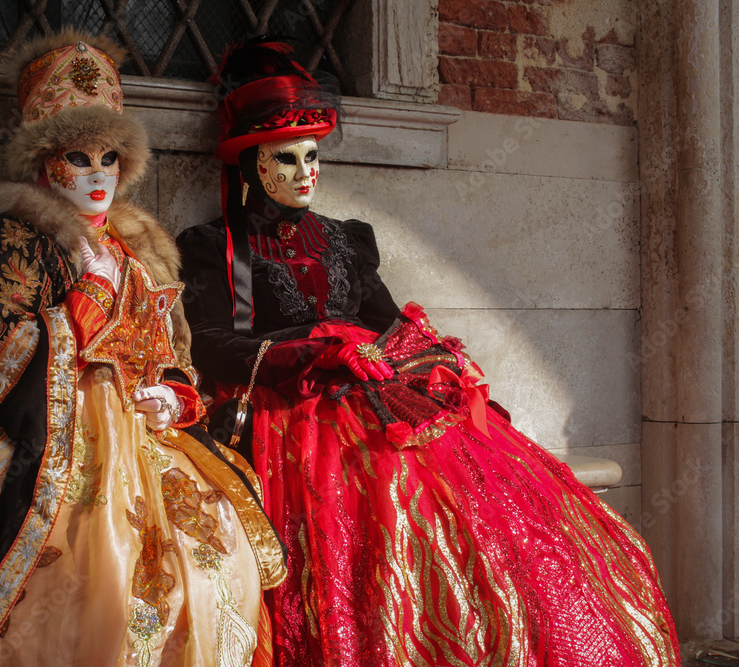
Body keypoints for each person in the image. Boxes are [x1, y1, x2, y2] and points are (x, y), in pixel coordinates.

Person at [176, 39, 681, 667]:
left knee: (482, 492)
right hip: (299, 409)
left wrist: (437, 359)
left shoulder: (346, 240)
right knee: (377, 509)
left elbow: (386, 321)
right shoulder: (215, 247)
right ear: (251, 167)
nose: (307, 172)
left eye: (314, 157)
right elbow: (215, 345)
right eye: (288, 159)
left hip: (382, 390)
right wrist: (313, 356)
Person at [0, 30, 284, 667]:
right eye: (78, 157)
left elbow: (172, 350)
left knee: (214, 551)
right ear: (43, 163)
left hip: (145, 440)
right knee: (86, 579)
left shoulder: (139, 248)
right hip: (37, 428)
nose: (97, 173)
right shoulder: (8, 238)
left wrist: (172, 397)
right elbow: (0, 353)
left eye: (109, 158)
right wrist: (84, 309)